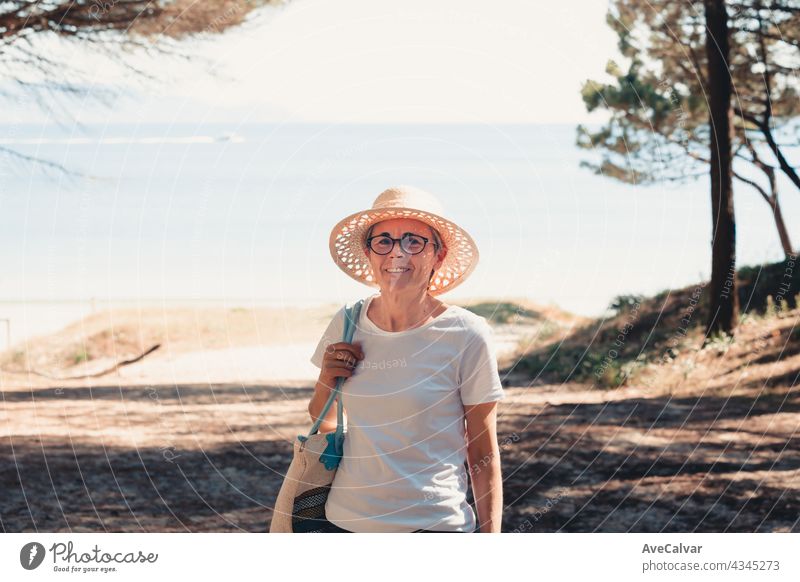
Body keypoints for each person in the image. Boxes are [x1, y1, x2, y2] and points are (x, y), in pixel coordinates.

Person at [308, 185, 505, 533]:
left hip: (433, 526)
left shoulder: (468, 334)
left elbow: (483, 454)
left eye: (414, 241)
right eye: (383, 241)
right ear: (370, 254)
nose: (397, 253)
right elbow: (320, 420)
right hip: (344, 522)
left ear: (438, 256)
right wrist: (327, 377)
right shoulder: (347, 323)